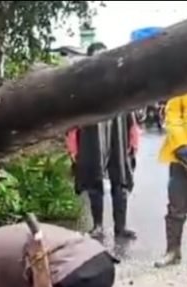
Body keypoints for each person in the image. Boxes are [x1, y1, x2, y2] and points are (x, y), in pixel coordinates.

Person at [66, 42, 140, 241]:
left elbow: (130, 117)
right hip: (91, 140)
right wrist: (73, 147)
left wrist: (134, 141)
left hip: (118, 137)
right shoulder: (82, 87)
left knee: (121, 181)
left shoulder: (120, 84)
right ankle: (98, 225)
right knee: (94, 182)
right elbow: (73, 121)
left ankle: (121, 227)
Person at [155, 93, 187, 267]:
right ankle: (173, 251)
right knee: (176, 206)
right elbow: (173, 115)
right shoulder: (182, 83)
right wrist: (183, 150)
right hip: (182, 157)